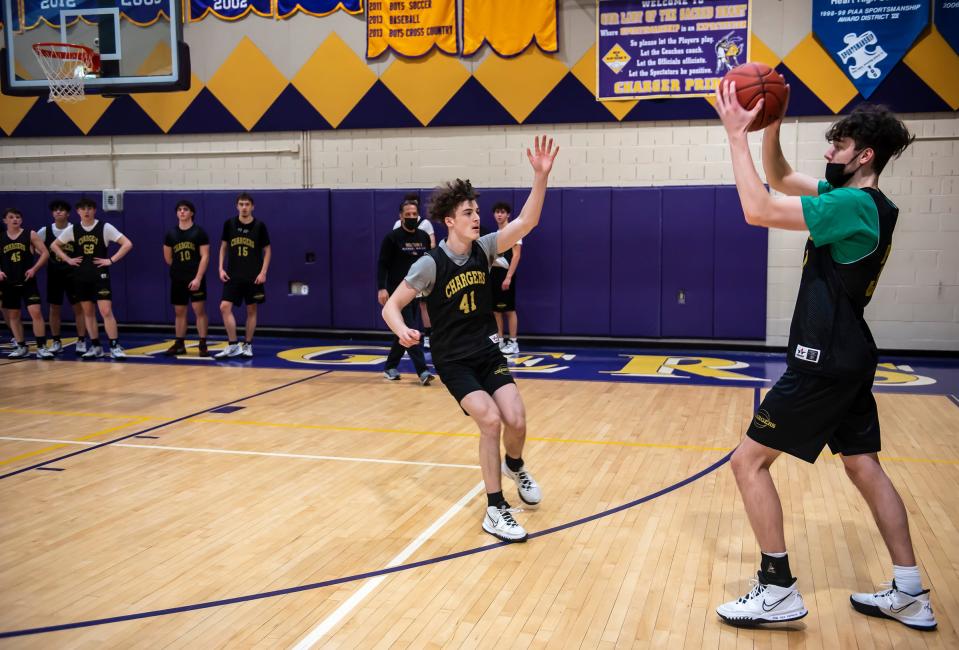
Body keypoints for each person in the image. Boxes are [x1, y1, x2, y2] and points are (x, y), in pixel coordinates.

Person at [712, 84, 935, 630]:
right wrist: (770, 129)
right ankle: (910, 592)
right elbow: (784, 180)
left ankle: (777, 587)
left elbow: (757, 206)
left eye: (839, 147)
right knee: (863, 465)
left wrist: (736, 137)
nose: (829, 154)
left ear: (864, 157)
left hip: (824, 359)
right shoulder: (872, 204)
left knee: (747, 462)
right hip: (851, 353)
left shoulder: (852, 203)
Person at [382, 136, 559, 543]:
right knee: (491, 420)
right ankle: (495, 509)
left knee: (516, 418)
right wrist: (402, 330)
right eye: (468, 212)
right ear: (450, 220)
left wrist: (540, 176)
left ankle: (515, 464)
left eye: (477, 211)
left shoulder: (485, 248)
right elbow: (391, 306)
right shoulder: (430, 264)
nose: (476, 217)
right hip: (453, 360)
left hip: (485, 349)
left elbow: (527, 222)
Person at [50, 197, 133, 360]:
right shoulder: (73, 229)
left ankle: (114, 346)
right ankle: (96, 346)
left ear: (94, 210)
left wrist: (111, 260)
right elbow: (54, 245)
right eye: (83, 208)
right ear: (78, 212)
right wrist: (67, 259)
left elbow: (127, 244)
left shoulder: (105, 227)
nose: (86, 211)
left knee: (105, 311)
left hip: (99, 275)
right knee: (88, 312)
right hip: (81, 276)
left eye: (89, 208)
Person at [378, 197, 433, 384]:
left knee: (402, 331)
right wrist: (382, 288)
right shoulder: (392, 238)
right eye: (408, 214)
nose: (411, 217)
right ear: (400, 216)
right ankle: (423, 371)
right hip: (398, 294)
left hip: (417, 292)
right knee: (410, 329)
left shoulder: (424, 237)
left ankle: (390, 366)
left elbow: (428, 264)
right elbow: (383, 264)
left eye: (414, 214)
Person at [215, 192, 270, 359]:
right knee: (224, 307)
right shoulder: (229, 224)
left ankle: (248, 344)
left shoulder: (260, 226)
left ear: (252, 206)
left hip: (253, 275)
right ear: (237, 206)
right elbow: (223, 247)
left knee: (251, 309)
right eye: (241, 204)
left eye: (247, 204)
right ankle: (233, 345)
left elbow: (267, 251)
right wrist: (220, 268)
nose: (244, 207)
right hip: (233, 274)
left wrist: (263, 272)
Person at [1, 208, 52, 359]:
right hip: (9, 282)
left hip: (27, 281)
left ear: (21, 220)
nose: (15, 219)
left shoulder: (30, 234)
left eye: (17, 217)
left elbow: (45, 253)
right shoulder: (1, 237)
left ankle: (42, 347)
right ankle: (21, 346)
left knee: (36, 312)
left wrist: (34, 268)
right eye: (11, 217)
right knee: (13, 315)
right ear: (5, 221)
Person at [37, 198, 87, 354]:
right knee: (54, 307)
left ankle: (81, 340)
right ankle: (56, 340)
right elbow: (35, 246)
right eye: (55, 209)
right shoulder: (45, 231)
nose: (58, 211)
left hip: (74, 273)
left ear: (68, 213)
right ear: (52, 213)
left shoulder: (75, 229)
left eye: (61, 209)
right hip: (54, 273)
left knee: (78, 307)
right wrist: (44, 256)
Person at [162, 200, 211, 356]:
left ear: (192, 213)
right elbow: (168, 258)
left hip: (196, 278)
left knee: (199, 310)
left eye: (185, 209)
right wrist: (179, 271)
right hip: (178, 278)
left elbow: (205, 257)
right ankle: (179, 343)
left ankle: (202, 343)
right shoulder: (171, 234)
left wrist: (197, 278)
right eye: (179, 209)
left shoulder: (199, 233)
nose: (182, 212)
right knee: (179, 311)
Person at [392, 193, 436, 348]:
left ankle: (428, 336)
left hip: (422, 273)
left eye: (414, 210)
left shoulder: (425, 226)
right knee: (402, 308)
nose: (411, 215)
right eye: (408, 211)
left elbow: (432, 246)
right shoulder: (398, 226)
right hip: (404, 274)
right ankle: (404, 338)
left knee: (424, 306)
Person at [490, 202, 522, 355]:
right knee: (496, 310)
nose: (499, 215)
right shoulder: (496, 233)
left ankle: (514, 342)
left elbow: (516, 255)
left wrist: (508, 277)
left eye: (502, 212)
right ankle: (501, 341)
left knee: (509, 309)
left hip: (506, 274)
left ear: (508, 214)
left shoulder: (514, 231)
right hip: (494, 275)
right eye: (497, 212)